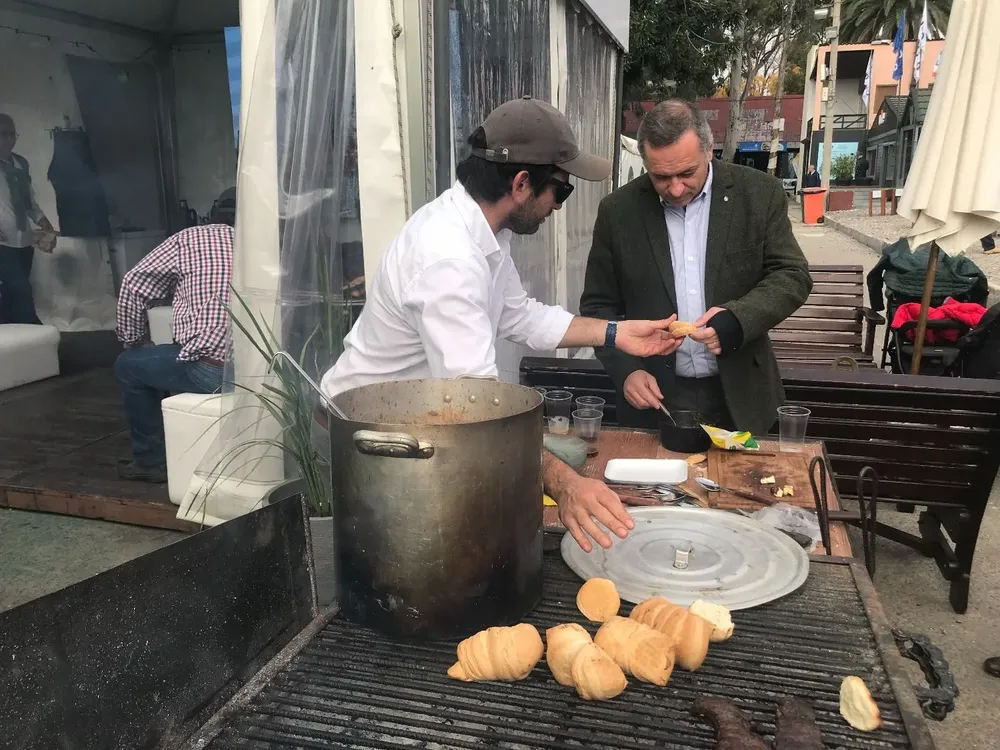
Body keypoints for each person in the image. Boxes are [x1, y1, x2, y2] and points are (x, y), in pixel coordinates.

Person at [320, 96, 685, 552]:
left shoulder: (484, 232)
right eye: (561, 190)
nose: (559, 205)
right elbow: (478, 408)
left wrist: (617, 333)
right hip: (368, 436)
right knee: (404, 568)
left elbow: (520, 314)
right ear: (521, 183)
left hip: (417, 422)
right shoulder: (448, 260)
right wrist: (564, 483)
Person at [580, 99, 812, 435]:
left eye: (687, 173)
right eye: (661, 177)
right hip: (653, 393)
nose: (675, 188)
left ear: (709, 150)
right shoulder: (618, 212)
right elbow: (598, 306)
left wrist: (739, 318)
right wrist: (627, 370)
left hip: (741, 391)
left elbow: (792, 275)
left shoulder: (758, 194)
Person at [113, 196, 236, 483]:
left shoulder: (192, 238)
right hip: (267, 370)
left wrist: (134, 340)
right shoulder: (269, 243)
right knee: (173, 354)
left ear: (211, 217)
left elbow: (134, 285)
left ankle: (150, 460)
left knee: (128, 366)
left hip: (213, 371)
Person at [0, 113, 55, 324]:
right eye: (2, 134)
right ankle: (35, 333)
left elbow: (28, 200)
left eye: (11, 134)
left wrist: (43, 221)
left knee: (13, 292)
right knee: (20, 289)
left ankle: (13, 341)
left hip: (23, 239)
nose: (7, 139)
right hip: (2, 241)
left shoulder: (20, 163)